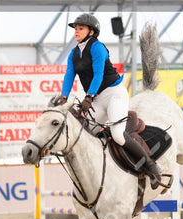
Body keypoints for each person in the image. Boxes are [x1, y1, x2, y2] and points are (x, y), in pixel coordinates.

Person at [57, 13, 162, 189]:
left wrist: (88, 96)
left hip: (114, 95)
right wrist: (63, 97)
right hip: (98, 98)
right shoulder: (74, 54)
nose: (76, 31)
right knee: (87, 133)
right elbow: (69, 76)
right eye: (75, 28)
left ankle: (152, 167)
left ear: (91, 31)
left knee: (118, 135)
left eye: (80, 28)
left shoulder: (97, 48)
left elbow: (98, 74)